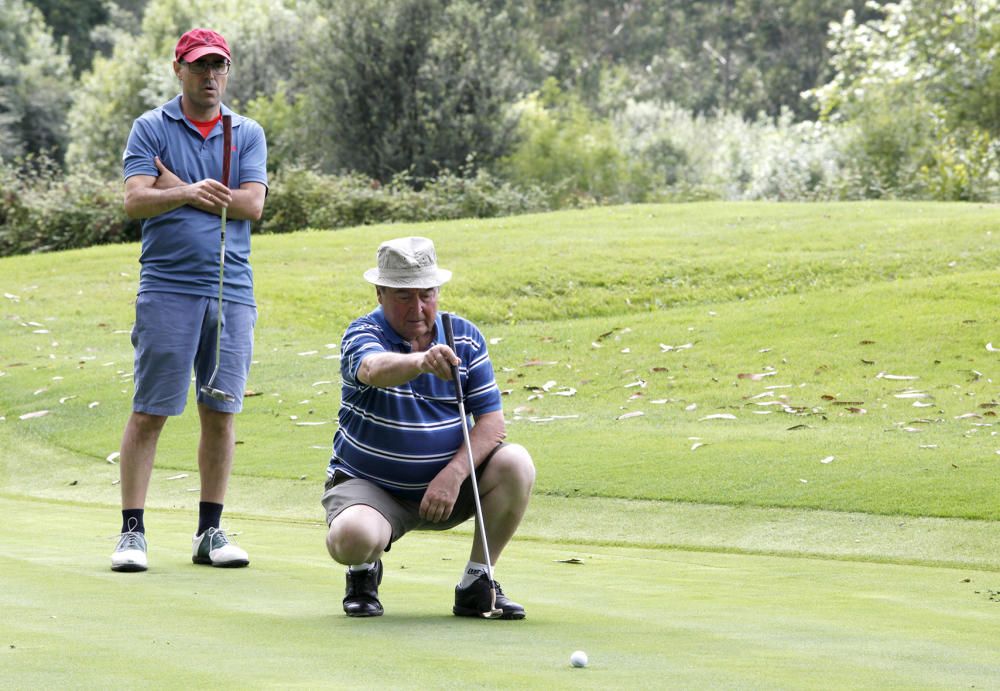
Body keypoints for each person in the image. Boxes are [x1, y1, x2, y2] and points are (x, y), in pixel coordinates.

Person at [110, 28, 268, 572]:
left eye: (219, 66)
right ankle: (132, 532)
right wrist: (188, 190)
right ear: (178, 69)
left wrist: (174, 186)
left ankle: (210, 531)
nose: (210, 76)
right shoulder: (150, 127)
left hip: (232, 289)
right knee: (151, 410)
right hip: (167, 287)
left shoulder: (245, 132)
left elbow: (250, 206)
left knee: (220, 411)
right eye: (200, 66)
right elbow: (135, 201)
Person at [323, 236, 535, 618]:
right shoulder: (362, 334)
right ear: (380, 293)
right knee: (352, 538)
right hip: (372, 488)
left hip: (449, 488)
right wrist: (421, 361)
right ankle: (363, 570)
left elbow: (492, 421)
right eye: (404, 296)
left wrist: (453, 475)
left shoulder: (464, 337)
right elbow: (372, 370)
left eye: (427, 294)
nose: (418, 308)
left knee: (516, 462)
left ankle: (477, 581)